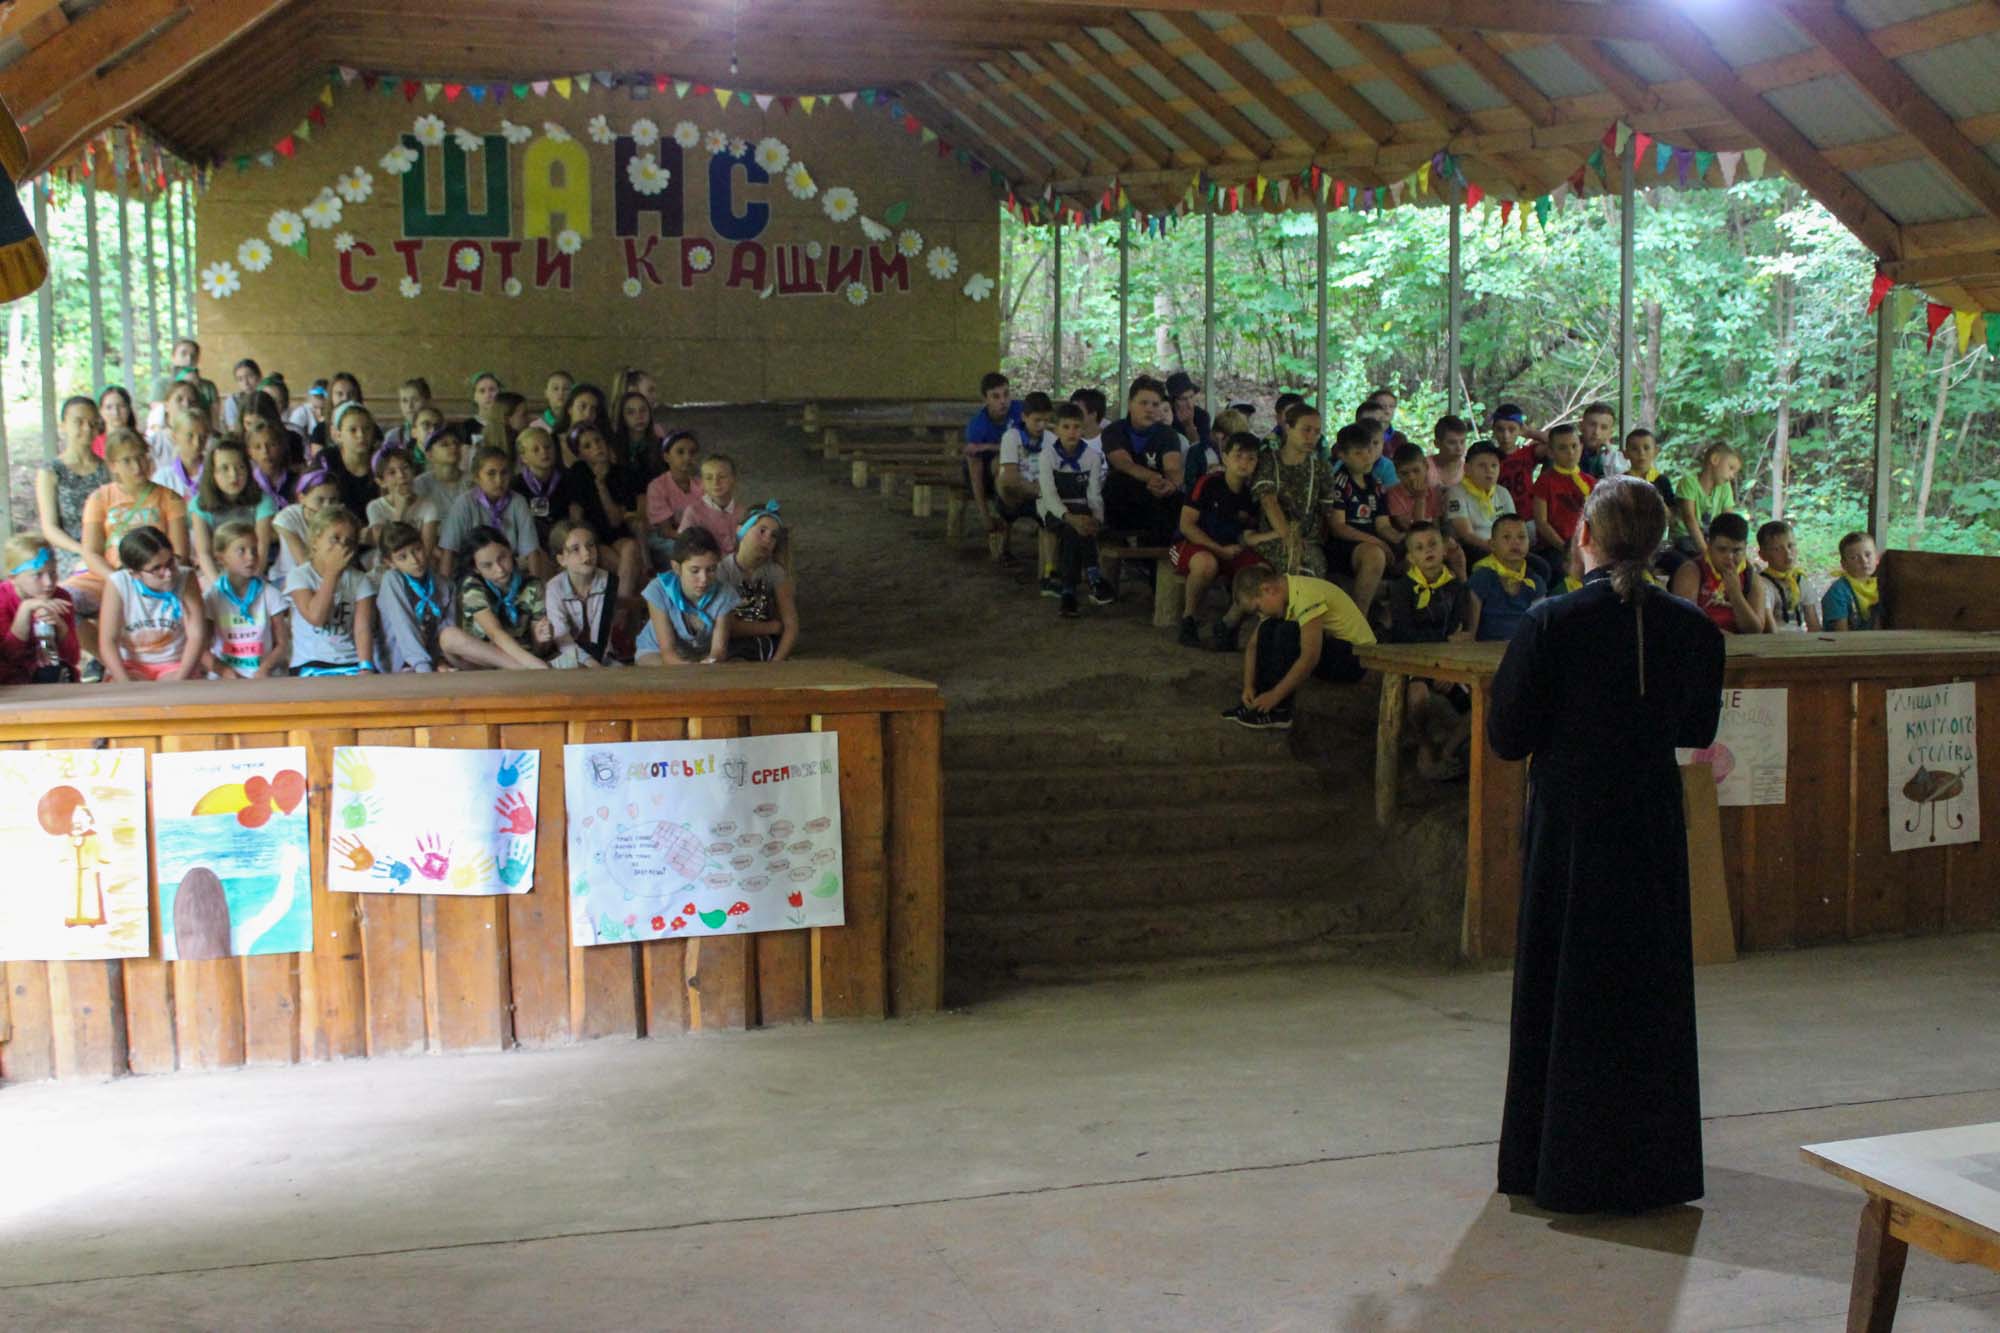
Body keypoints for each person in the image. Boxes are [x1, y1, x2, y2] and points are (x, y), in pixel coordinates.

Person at [1489, 474, 1724, 1215]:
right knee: (1645, 985)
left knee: (1567, 981)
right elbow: (1696, 728)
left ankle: (1558, 1164)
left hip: (1572, 824)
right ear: (1656, 544)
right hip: (1649, 819)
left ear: (1584, 537)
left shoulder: (1552, 621)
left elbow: (1507, 736)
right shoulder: (1693, 626)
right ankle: (1651, 1168)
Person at [1223, 563, 1374, 730]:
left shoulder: (1306, 595)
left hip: (1356, 660)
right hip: (1336, 648)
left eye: (1258, 608)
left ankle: (1280, 710)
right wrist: (1249, 686)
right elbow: (1253, 646)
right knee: (1268, 627)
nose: (1260, 614)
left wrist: (1275, 695)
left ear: (1268, 589)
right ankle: (1256, 703)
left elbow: (1310, 657)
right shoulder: (1283, 595)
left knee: (1288, 631)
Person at [1385, 522, 1478, 780]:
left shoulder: (1456, 588)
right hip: (1414, 661)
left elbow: (1458, 632)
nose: (1428, 550)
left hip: (1447, 663)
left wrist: (1447, 667)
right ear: (1411, 557)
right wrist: (1436, 662)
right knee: (1417, 696)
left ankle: (1447, 751)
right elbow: (1405, 634)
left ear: (1444, 549)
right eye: (1419, 547)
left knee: (1484, 701)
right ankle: (1425, 749)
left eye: (1433, 544)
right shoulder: (1402, 589)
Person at [1172, 432, 1272, 650]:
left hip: (1231, 549)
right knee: (1206, 563)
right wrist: (1218, 549)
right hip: (1194, 545)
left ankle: (1228, 623)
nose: (1244, 463)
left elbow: (1248, 532)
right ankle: (1189, 620)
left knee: (1261, 571)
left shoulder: (1253, 494)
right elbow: (1186, 525)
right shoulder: (1207, 483)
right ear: (1225, 458)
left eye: (1251, 458)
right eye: (1238, 456)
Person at [79, 431, 189, 629]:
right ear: (113, 465)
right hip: (109, 576)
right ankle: (100, 648)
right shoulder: (99, 499)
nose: (137, 466)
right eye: (127, 460)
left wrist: (154, 577)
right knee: (65, 602)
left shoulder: (170, 498)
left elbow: (180, 553)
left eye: (141, 457)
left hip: (159, 575)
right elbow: (91, 553)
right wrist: (118, 580)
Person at [1036, 401, 1113, 618]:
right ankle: (1092, 579)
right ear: (1056, 430)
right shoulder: (1047, 456)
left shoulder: (1092, 457)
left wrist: (1096, 519)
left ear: (1083, 429)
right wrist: (1070, 518)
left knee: (1082, 526)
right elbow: (1049, 495)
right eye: (1066, 427)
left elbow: (1094, 494)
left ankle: (1069, 591)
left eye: (1076, 427)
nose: (1072, 432)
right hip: (1052, 509)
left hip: (1081, 508)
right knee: (1073, 529)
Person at [100, 525, 205, 683]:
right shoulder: (119, 583)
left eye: (170, 562)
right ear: (134, 573)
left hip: (175, 663)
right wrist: (124, 682)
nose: (168, 574)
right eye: (156, 568)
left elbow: (197, 635)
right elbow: (108, 640)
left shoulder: (186, 577)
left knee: (179, 693)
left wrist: (180, 680)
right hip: (131, 664)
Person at [285, 506, 376, 677]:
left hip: (350, 662)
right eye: (335, 539)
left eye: (349, 541)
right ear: (315, 541)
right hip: (310, 663)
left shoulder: (360, 580)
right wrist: (332, 573)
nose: (342, 546)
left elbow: (362, 628)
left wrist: (366, 666)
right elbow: (316, 617)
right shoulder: (300, 576)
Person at [1251, 402, 1337, 579]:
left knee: (1309, 565)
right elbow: (1268, 501)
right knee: (1291, 564)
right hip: (1273, 539)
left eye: (1317, 432)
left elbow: (1326, 512)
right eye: (1306, 430)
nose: (1311, 436)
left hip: (1309, 542)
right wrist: (1289, 538)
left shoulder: (1321, 468)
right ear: (1288, 428)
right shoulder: (1268, 461)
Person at [560, 422, 646, 595]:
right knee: (624, 566)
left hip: (617, 535)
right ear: (580, 454)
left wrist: (601, 485)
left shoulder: (621, 473)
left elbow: (615, 521)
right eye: (587, 446)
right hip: (593, 537)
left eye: (598, 441)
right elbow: (576, 517)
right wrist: (584, 542)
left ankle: (621, 604)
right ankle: (627, 600)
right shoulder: (577, 474)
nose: (596, 447)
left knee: (630, 547)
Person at [36, 396, 108, 601]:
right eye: (79, 422)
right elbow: (50, 528)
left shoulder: (108, 469)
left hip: (106, 549)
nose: (87, 428)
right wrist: (83, 551)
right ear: (63, 425)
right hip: (69, 553)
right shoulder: (51, 471)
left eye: (93, 422)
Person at [453, 525, 556, 669]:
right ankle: (521, 669)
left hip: (526, 655)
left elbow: (539, 650)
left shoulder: (533, 585)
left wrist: (541, 639)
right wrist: (534, 664)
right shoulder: (472, 585)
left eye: (502, 558)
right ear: (476, 568)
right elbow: (494, 632)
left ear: (510, 551)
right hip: (487, 660)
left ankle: (520, 668)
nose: (499, 569)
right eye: (487, 565)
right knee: (449, 636)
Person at [1099, 376, 1184, 544]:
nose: (1149, 409)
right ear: (1130, 404)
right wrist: (1153, 478)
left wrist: (1171, 485)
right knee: (1116, 482)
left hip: (1158, 497)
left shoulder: (1168, 434)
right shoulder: (1114, 431)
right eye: (1143, 403)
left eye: (1155, 405)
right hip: (1124, 497)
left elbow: (1173, 468)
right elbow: (1124, 464)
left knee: (1179, 499)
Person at [637, 527, 738, 666]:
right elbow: (668, 653)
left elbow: (718, 651)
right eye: (695, 571)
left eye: (711, 569)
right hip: (655, 652)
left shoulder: (724, 593)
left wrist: (709, 662)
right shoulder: (658, 590)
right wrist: (694, 671)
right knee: (666, 675)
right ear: (676, 568)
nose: (704, 579)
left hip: (701, 655)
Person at [201, 520, 290, 678]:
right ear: (221, 558)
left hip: (264, 674)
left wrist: (265, 668)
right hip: (225, 678)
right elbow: (202, 649)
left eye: (254, 550)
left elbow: (282, 644)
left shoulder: (270, 594)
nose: (251, 557)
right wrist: (225, 672)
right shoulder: (212, 598)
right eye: (241, 551)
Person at [439, 445, 543, 580]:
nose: (499, 480)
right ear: (477, 477)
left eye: (504, 473)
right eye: (491, 474)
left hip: (509, 572)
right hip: (474, 574)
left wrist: (534, 585)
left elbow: (531, 551)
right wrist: (445, 588)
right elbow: (449, 551)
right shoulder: (464, 504)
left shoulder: (518, 502)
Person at [1326, 423, 1396, 613]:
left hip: (1372, 542)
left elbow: (1383, 526)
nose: (1367, 457)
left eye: (1369, 450)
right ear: (1342, 455)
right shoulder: (1339, 483)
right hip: (1345, 547)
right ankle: (1358, 620)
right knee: (1375, 555)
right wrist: (1377, 542)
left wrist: (1403, 539)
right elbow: (1338, 527)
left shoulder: (1376, 484)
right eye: (1358, 453)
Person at [189, 440, 277, 587]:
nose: (234, 475)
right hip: (216, 574)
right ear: (213, 473)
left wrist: (250, 585)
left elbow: (261, 548)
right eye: (225, 468)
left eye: (240, 467)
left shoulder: (263, 501)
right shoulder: (200, 504)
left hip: (253, 572)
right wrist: (220, 587)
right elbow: (204, 553)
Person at [374, 520, 457, 673]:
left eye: (417, 550)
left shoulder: (446, 585)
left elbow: (447, 626)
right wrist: (422, 666)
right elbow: (403, 624)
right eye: (402, 557)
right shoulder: (392, 580)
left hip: (432, 660)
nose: (414, 560)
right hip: (400, 661)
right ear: (390, 562)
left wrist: (440, 660)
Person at [0, 534, 81, 684]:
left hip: (51, 676)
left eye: (53, 573)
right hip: (11, 681)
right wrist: (25, 610)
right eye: (37, 575)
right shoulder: (2, 599)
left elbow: (73, 658)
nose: (49, 582)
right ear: (13, 578)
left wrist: (59, 624)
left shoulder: (61, 597)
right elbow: (9, 656)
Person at [722, 503, 797, 662]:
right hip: (728, 644)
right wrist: (771, 627)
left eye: (773, 536)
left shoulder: (775, 572)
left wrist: (776, 662)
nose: (767, 539)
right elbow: (726, 627)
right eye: (762, 531)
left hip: (766, 645)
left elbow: (790, 625)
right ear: (741, 530)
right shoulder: (722, 571)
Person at [1670, 512, 1765, 635]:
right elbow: (1686, 623)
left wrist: (1736, 595)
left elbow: (1755, 631)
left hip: (1740, 645)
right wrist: (1721, 637)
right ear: (1709, 545)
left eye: (1737, 550)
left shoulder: (1751, 577)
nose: (1729, 557)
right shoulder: (1691, 571)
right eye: (1722, 549)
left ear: (1745, 547)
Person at [544, 520, 617, 669]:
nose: (586, 553)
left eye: (590, 545)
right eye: (575, 549)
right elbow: (563, 639)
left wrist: (596, 665)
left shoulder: (609, 581)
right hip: (567, 656)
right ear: (562, 559)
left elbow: (601, 637)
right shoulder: (554, 588)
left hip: (602, 656)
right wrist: (589, 662)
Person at [963, 371, 1024, 547]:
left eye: (1006, 394)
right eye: (996, 397)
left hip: (1019, 468)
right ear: (985, 399)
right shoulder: (977, 427)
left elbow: (1030, 443)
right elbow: (975, 472)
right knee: (999, 463)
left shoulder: (1021, 411)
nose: (1003, 401)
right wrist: (985, 516)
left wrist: (987, 447)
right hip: (985, 475)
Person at [1468, 514, 1546, 642]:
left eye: (1521, 537)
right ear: (1492, 545)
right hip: (1487, 648)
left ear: (1529, 543)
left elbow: (1539, 628)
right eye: (1506, 537)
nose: (1516, 542)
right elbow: (1470, 631)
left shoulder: (1535, 582)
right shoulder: (1482, 578)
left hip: (1523, 648)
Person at [363, 447, 441, 574]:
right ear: (381, 482)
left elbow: (425, 551)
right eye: (392, 472)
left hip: (419, 566)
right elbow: (386, 548)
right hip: (388, 568)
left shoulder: (429, 506)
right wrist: (400, 511)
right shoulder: (375, 507)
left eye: (405, 468)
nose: (401, 475)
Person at [994, 391, 1052, 557]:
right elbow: (1010, 477)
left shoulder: (1051, 439)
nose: (1042, 425)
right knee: (1006, 482)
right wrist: (1039, 490)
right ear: (1024, 417)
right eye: (1037, 420)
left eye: (1046, 420)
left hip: (1038, 494)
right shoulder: (1012, 437)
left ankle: (1049, 558)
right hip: (1016, 495)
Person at [1445, 441, 1515, 565]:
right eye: (1482, 466)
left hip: (1504, 546)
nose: (1489, 470)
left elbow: (1514, 526)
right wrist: (1495, 548)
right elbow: (1466, 534)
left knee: (1541, 567)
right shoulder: (1456, 493)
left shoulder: (1502, 492)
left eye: (1494, 465)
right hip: (1474, 548)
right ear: (1467, 469)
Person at [1530, 424, 1593, 556]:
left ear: (1581, 447)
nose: (1570, 452)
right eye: (1562, 448)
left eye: (1574, 446)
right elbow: (1541, 522)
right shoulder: (1545, 481)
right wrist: (1564, 548)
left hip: (1586, 546)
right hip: (1553, 547)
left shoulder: (1590, 482)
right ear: (1551, 453)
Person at [645, 428, 704, 568]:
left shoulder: (701, 485)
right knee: (689, 556)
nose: (687, 457)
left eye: (692, 452)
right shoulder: (657, 487)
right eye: (680, 452)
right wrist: (696, 540)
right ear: (666, 457)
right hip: (666, 539)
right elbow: (666, 531)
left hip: (694, 537)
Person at [1673, 442, 1741, 559]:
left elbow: (1729, 521)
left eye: (1734, 472)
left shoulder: (1725, 487)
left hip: (1709, 538)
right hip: (1686, 537)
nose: (1732, 476)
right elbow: (1689, 518)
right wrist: (1706, 553)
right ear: (1715, 459)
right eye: (1731, 468)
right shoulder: (1689, 482)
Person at [272, 469, 341, 583]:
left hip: (325, 575)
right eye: (320, 500)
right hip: (287, 577)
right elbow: (305, 563)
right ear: (301, 498)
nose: (327, 507)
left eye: (333, 500)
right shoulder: (287, 517)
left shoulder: (339, 518)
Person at [1755, 520, 1818, 633]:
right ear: (1763, 555)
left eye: (1790, 546)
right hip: (1774, 641)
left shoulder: (1800, 580)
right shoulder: (1763, 584)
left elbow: (1813, 623)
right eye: (1777, 549)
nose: (1787, 553)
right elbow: (1769, 628)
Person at [512, 423, 567, 551]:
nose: (544, 452)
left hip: (564, 541)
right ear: (524, 458)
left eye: (548, 447)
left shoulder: (567, 479)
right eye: (536, 449)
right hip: (532, 545)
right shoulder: (516, 486)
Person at [678, 453, 745, 555]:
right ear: (702, 483)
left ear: (733, 479)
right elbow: (683, 548)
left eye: (722, 476)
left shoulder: (743, 512)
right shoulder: (693, 512)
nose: (715, 482)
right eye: (709, 478)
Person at [326, 402, 381, 519]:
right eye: (353, 430)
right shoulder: (328, 459)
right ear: (338, 435)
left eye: (367, 428)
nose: (361, 435)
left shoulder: (382, 459)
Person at [1822, 531, 1882, 631]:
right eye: (1854, 557)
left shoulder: (1883, 584)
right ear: (1844, 564)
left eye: (1868, 554)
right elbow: (1841, 633)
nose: (1864, 561)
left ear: (1877, 557)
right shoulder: (1838, 592)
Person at [153, 401, 211, 500]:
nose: (197, 443)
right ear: (174, 436)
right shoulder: (164, 478)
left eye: (202, 437)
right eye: (190, 436)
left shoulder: (214, 473)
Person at [414, 422, 470, 515]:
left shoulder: (473, 481)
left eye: (456, 443)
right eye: (445, 444)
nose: (454, 447)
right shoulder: (421, 484)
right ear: (429, 455)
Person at [1164, 371, 1209, 454]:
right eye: (1183, 399)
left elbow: (1202, 449)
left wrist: (1189, 425)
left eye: (1191, 397)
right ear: (1173, 401)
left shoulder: (1202, 415)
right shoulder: (1166, 416)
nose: (1190, 404)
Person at [382, 377, 432, 452]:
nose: (409, 406)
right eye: (404, 401)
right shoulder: (393, 436)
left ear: (428, 401)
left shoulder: (441, 433)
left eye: (415, 400)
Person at [1578, 402, 1623, 478]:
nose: (1596, 432)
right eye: (1592, 425)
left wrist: (1611, 456)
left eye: (1604, 427)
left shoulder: (1612, 457)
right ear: (1581, 426)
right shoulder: (1565, 451)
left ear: (1610, 433)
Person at [1429, 415, 1469, 490]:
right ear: (1437, 444)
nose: (1459, 448)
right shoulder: (1423, 468)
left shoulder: (1469, 470)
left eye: (1462, 442)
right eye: (1452, 443)